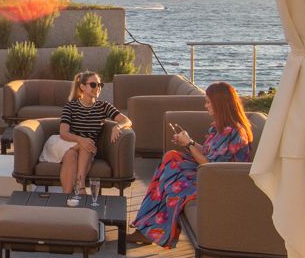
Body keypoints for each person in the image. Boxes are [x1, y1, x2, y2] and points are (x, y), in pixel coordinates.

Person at [129, 81, 254, 248]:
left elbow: (210, 165)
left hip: (221, 183)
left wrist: (188, 144)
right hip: (209, 174)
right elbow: (208, 153)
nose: (206, 105)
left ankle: (151, 230)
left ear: (220, 103)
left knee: (170, 174)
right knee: (171, 157)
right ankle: (148, 228)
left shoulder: (233, 132)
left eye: (209, 102)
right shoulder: (221, 128)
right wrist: (190, 142)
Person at [56, 71, 132, 196]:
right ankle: (75, 191)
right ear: (82, 87)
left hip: (88, 149)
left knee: (87, 145)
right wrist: (81, 140)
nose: (97, 88)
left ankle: (71, 195)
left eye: (100, 85)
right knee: (74, 151)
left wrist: (117, 126)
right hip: (69, 144)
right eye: (93, 85)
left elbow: (127, 120)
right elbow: (63, 133)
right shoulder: (70, 107)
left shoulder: (103, 106)